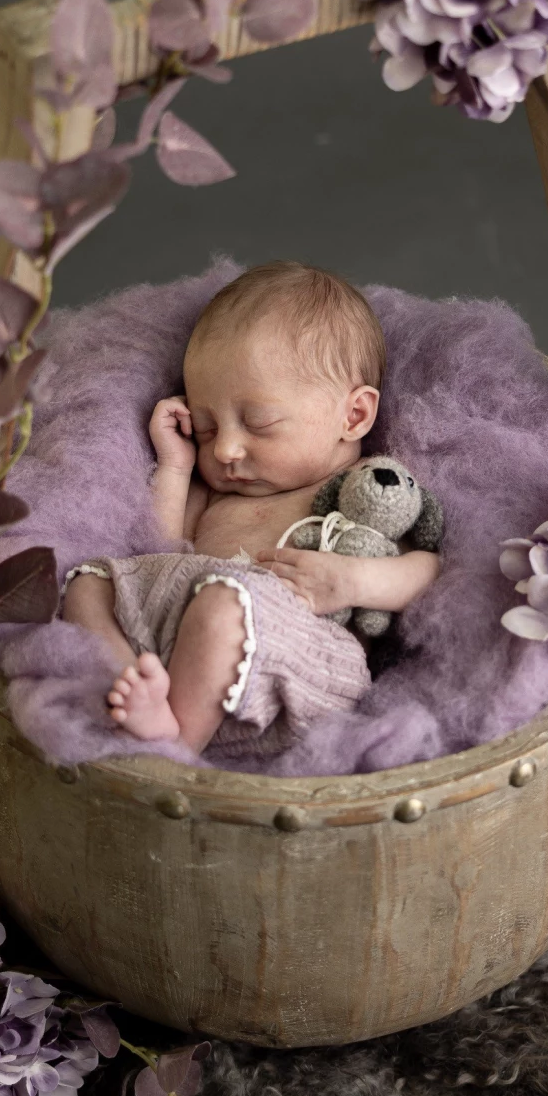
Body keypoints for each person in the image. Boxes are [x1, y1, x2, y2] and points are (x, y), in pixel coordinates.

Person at [61, 262, 441, 757]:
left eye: (258, 423)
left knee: (224, 601)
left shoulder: (365, 489)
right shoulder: (214, 490)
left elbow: (431, 572)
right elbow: (156, 552)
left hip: (305, 662)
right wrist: (175, 465)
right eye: (207, 427)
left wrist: (351, 581)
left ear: (354, 415)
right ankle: (135, 690)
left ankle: (172, 748)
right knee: (88, 583)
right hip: (184, 640)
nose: (225, 449)